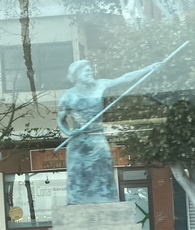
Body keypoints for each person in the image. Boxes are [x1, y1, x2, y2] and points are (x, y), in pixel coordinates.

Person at [57, 58, 160, 205]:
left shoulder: (101, 85)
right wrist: (69, 132)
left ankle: (105, 200)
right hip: (78, 141)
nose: (90, 72)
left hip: (96, 136)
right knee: (78, 175)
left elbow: (125, 78)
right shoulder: (68, 96)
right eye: (86, 71)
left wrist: (149, 68)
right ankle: (78, 203)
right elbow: (60, 120)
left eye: (90, 70)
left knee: (104, 168)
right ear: (76, 75)